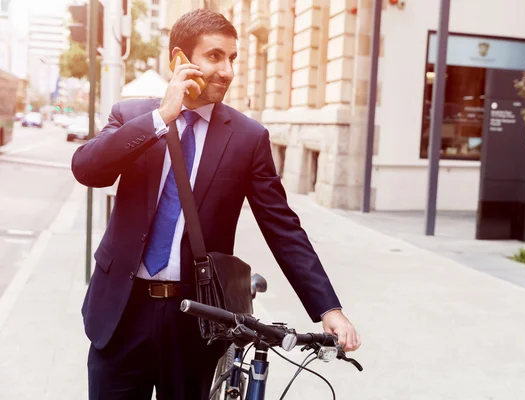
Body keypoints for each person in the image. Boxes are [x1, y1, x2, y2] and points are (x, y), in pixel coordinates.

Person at [72, 8, 361, 400]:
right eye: (214, 56)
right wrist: (161, 118)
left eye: (232, 59)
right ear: (180, 59)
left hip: (197, 321)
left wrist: (328, 308)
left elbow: (283, 228)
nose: (226, 70)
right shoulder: (132, 116)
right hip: (122, 313)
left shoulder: (247, 138)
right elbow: (89, 170)